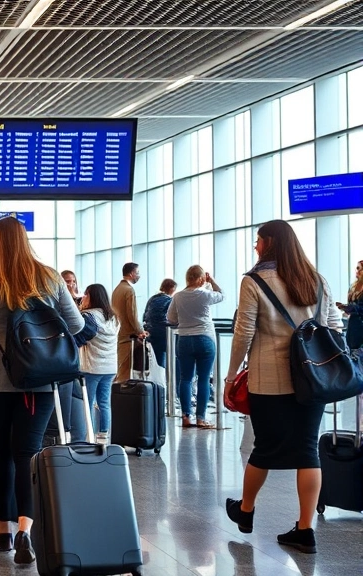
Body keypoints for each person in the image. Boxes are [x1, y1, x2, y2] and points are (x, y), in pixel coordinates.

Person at [0, 217, 84, 564]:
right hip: (38, 383)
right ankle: (26, 531)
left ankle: (3, 532)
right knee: (27, 454)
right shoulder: (48, 276)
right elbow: (74, 324)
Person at [223, 220, 341, 554]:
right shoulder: (317, 279)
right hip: (313, 380)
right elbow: (334, 327)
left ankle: (245, 511)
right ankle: (305, 530)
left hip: (269, 380)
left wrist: (231, 377)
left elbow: (243, 332)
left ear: (271, 242)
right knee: (307, 450)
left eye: (257, 240)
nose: (255, 246)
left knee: (265, 447)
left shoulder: (254, 280)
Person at [167, 266, 224, 428]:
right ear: (201, 279)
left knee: (185, 378)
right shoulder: (205, 294)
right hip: (205, 338)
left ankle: (185, 416)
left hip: (184, 339)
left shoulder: (178, 297)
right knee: (204, 379)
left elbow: (171, 319)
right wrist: (212, 281)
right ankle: (201, 418)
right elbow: (222, 295)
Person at [76, 284, 120, 443]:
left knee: (88, 402)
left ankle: (89, 434)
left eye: (85, 295)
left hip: (92, 367)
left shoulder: (89, 316)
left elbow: (81, 338)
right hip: (110, 367)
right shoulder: (113, 317)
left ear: (90, 296)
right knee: (104, 402)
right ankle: (104, 435)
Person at [112, 262, 148, 383]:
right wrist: (140, 331)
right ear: (131, 274)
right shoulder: (129, 290)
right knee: (124, 373)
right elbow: (132, 315)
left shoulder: (117, 289)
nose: (138, 276)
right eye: (137, 273)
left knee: (119, 369)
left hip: (118, 333)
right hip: (128, 336)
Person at [143, 279, 178, 368]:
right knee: (173, 356)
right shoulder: (170, 300)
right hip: (165, 333)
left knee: (157, 358)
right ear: (172, 288)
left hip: (151, 333)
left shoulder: (152, 299)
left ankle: (159, 378)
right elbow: (173, 317)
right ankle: (169, 379)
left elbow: (145, 315)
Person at [336, 259, 363, 353]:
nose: (357, 271)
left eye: (360, 268)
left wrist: (350, 308)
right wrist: (346, 308)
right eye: (357, 268)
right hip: (353, 326)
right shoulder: (353, 287)